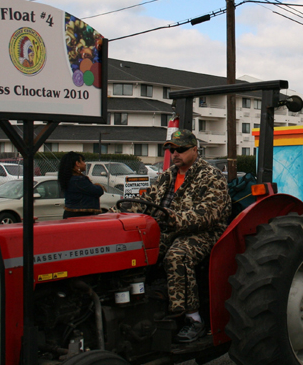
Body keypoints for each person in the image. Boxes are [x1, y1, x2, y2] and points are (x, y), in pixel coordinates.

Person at [120, 129, 230, 343]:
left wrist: (174, 219)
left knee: (178, 255)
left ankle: (193, 318)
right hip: (169, 229)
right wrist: (119, 215)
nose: (175, 153)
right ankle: (143, 301)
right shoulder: (167, 176)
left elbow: (210, 212)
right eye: (172, 149)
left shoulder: (210, 176)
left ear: (195, 150)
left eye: (180, 149)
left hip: (203, 231)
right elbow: (147, 201)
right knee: (135, 249)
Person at [59, 152, 105, 218]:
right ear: (77, 163)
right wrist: (99, 186)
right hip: (82, 215)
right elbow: (97, 191)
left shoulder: (68, 178)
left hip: (70, 214)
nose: (84, 164)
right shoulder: (79, 180)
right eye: (82, 161)